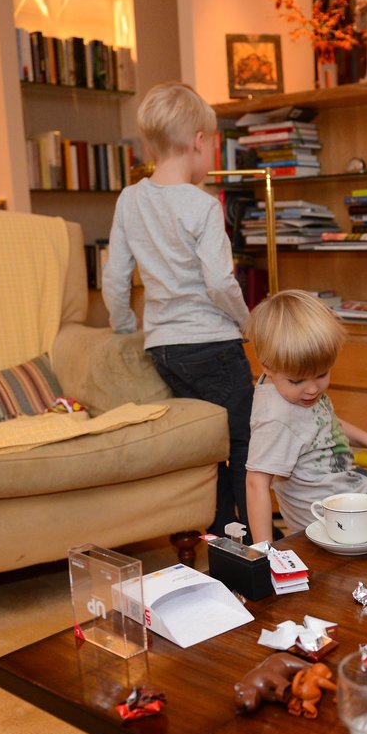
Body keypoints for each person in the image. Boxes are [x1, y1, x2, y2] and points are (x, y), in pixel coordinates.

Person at [103, 81, 253, 537]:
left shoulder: (130, 199)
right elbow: (219, 282)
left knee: (201, 441)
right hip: (214, 343)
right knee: (244, 439)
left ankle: (216, 527)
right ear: (199, 141)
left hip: (165, 348)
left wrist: (129, 328)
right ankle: (252, 532)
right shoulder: (203, 207)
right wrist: (249, 324)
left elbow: (114, 279)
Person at [245, 290, 367, 544]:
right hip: (333, 517)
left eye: (321, 375)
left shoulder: (298, 395)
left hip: (351, 485)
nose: (312, 389)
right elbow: (256, 484)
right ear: (266, 366)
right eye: (297, 380)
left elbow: (326, 422)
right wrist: (266, 553)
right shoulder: (276, 418)